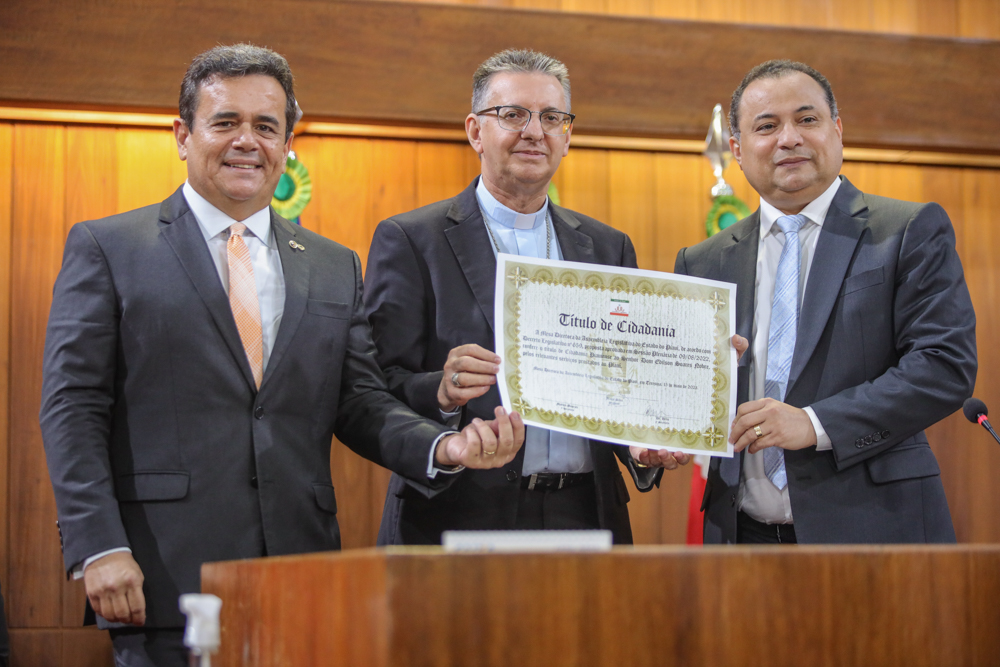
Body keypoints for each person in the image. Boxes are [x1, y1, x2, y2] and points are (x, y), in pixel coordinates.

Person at [39, 44, 523, 667]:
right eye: (226, 123)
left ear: (288, 142)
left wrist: (443, 446)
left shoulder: (333, 265)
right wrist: (99, 545)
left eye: (266, 126)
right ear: (183, 135)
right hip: (159, 573)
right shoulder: (109, 248)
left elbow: (360, 400)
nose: (248, 141)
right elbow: (72, 408)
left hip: (302, 573)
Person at [365, 49, 742, 545]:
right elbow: (372, 387)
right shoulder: (413, 240)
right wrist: (441, 390)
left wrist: (652, 431)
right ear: (476, 131)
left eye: (551, 117)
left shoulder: (608, 247)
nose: (534, 131)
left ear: (567, 136)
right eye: (513, 114)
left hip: (586, 510)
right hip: (457, 513)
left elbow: (625, 381)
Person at [675, 59, 977, 544]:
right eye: (767, 126)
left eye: (807, 119)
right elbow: (686, 388)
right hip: (739, 538)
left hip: (874, 528)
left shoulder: (907, 230)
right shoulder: (702, 261)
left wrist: (813, 423)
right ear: (737, 149)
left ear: (837, 129)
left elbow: (944, 366)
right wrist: (656, 437)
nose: (788, 138)